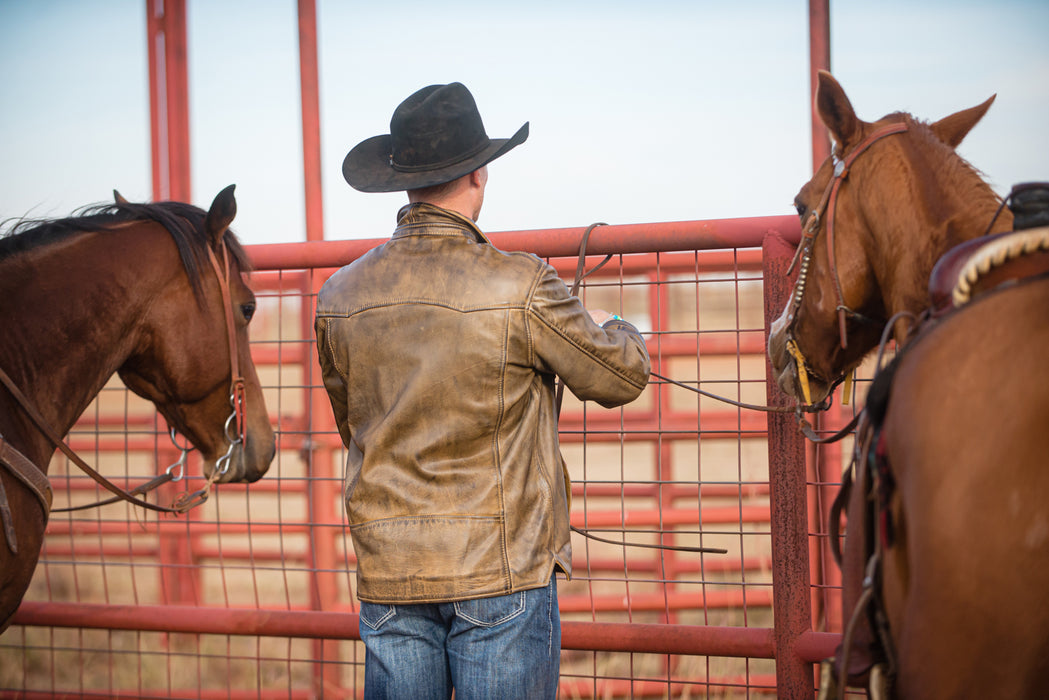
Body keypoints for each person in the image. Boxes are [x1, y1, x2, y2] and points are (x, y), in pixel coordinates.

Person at [315, 82, 651, 699]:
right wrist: (626, 329)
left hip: (392, 567)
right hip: (500, 564)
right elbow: (620, 376)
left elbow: (352, 420)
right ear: (480, 174)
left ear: (403, 181)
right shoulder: (519, 283)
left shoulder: (338, 296)